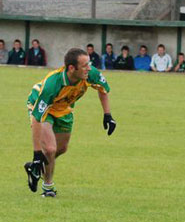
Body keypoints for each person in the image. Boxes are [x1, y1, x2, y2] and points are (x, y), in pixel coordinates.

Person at [24, 48, 116, 197]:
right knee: (50, 149)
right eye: (85, 65)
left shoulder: (90, 73)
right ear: (72, 68)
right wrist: (36, 153)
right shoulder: (53, 84)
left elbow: (103, 89)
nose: (89, 68)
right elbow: (36, 118)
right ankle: (48, 188)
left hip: (64, 109)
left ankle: (35, 169)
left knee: (61, 149)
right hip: (42, 107)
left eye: (89, 63)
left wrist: (108, 115)